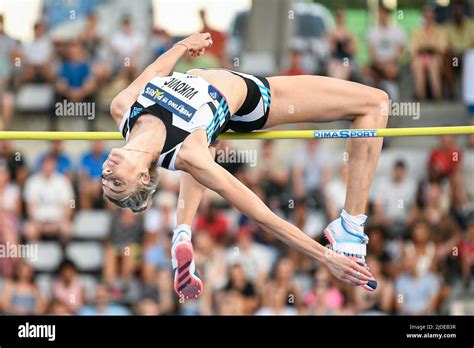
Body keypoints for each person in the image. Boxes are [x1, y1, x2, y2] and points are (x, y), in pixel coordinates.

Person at [102, 32, 388, 299]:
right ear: (142, 177)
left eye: (106, 180)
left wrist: (182, 45)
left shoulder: (123, 107)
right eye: (116, 183)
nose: (107, 173)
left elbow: (154, 72)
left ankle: (182, 232)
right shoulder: (188, 152)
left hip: (213, 108)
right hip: (253, 99)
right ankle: (350, 226)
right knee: (375, 103)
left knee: (204, 150)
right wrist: (325, 257)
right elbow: (259, 212)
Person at [411, 6, 448, 100]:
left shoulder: (440, 30)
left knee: (433, 64)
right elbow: (414, 50)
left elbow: (442, 48)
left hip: (435, 59)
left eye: (430, 15)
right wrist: (429, 48)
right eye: (426, 15)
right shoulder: (416, 31)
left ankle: (437, 95)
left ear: (434, 16)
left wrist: (427, 49)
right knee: (417, 64)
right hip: (420, 58)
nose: (428, 18)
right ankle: (421, 96)